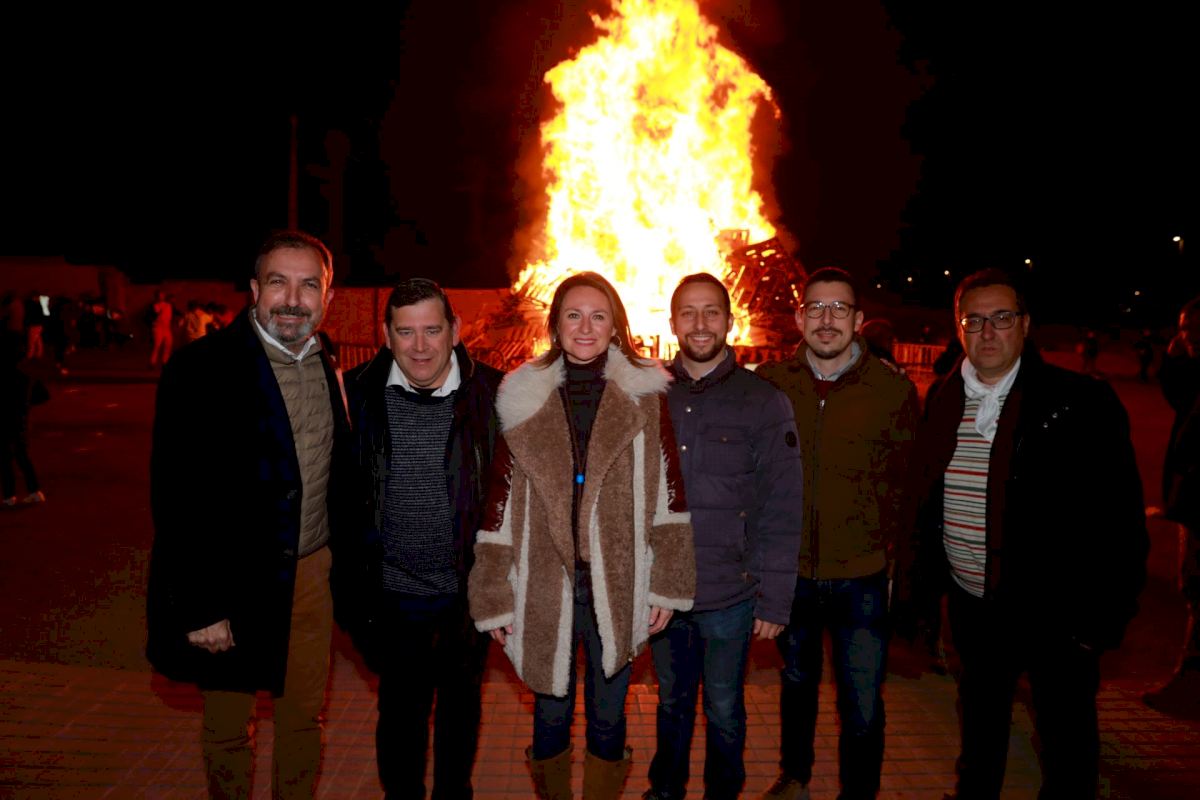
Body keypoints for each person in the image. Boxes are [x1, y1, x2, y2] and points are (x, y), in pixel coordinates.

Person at [906, 268, 1148, 799]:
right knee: (980, 729)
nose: (988, 331)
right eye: (974, 320)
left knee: (1066, 743)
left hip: (1056, 613)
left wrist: (1102, 621)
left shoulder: (1078, 401)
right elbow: (928, 500)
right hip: (974, 605)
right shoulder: (944, 398)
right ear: (958, 328)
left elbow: (1121, 520)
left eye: (1002, 317)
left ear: (1025, 324)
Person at [468, 271, 695, 800]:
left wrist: (667, 583)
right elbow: (499, 499)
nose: (585, 327)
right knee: (549, 711)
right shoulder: (523, 396)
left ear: (615, 326)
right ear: (555, 325)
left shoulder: (644, 395)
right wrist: (494, 592)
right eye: (573, 315)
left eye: (598, 316)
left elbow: (668, 490)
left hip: (618, 579)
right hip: (545, 581)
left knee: (609, 715)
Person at [146, 230, 350, 798]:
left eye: (309, 285)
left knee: (303, 719)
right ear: (255, 290)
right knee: (230, 727)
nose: (293, 299)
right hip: (232, 579)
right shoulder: (201, 368)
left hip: (310, 575)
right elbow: (176, 498)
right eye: (279, 283)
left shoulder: (327, 362)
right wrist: (202, 606)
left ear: (327, 297)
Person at [755, 267, 920, 800]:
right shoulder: (772, 384)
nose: (827, 320)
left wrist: (894, 562)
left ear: (859, 319)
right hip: (792, 575)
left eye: (839, 309)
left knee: (863, 701)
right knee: (796, 686)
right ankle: (795, 777)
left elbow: (906, 484)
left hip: (861, 577)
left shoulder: (891, 390)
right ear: (799, 316)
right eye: (816, 308)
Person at [334, 278, 502, 798]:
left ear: (455, 330)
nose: (421, 346)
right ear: (386, 335)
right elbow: (337, 500)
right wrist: (352, 602)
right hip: (390, 597)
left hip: (465, 598)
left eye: (432, 330)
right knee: (399, 719)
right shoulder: (353, 394)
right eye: (406, 332)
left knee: (460, 716)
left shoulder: (495, 394)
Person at [643, 273, 803, 800]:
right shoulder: (649, 396)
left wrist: (774, 600)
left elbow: (782, 505)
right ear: (672, 323)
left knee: (725, 707)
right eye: (688, 313)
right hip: (665, 593)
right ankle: (666, 790)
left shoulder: (763, 401)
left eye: (711, 311)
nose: (700, 323)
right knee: (671, 703)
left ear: (730, 322)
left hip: (730, 594)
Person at [1144, 295, 1200, 715]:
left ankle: (1190, 682)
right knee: (1192, 586)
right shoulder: (1196, 375)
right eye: (1183, 328)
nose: (1187, 336)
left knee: (1197, 587)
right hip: (1191, 506)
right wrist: (1174, 357)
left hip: (1198, 507)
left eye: (1193, 328)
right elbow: (1179, 394)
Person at [1, 338, 48, 507]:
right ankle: (34, 491)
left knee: (5, 458)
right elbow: (43, 396)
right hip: (20, 419)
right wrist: (26, 404)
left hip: (4, 419)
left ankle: (9, 495)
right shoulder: (26, 377)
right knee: (22, 456)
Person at [148, 290, 175, 368]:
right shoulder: (154, 306)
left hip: (167, 328)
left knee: (168, 345)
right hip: (158, 327)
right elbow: (150, 315)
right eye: (160, 295)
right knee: (157, 345)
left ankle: (165, 361)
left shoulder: (169, 305)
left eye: (162, 295)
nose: (161, 297)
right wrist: (152, 323)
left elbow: (173, 313)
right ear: (156, 297)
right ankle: (152, 362)